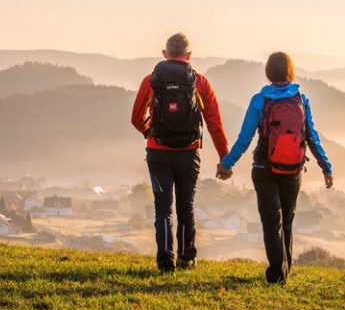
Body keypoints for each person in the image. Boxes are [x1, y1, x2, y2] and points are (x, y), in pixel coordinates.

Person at [217, 52, 333, 284]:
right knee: (287, 221)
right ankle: (284, 272)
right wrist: (326, 167)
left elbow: (244, 138)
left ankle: (277, 275)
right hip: (294, 170)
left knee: (272, 223)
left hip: (263, 168)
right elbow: (312, 137)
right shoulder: (301, 98)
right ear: (290, 70)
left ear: (268, 72)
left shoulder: (259, 100)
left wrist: (226, 165)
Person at [131, 32, 230, 274]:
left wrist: (150, 132)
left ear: (164, 54)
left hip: (158, 153)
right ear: (189, 55)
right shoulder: (201, 82)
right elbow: (214, 123)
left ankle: (166, 262)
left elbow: (136, 118)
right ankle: (187, 257)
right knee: (186, 205)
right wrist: (224, 158)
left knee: (163, 209)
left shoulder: (151, 80)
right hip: (189, 154)